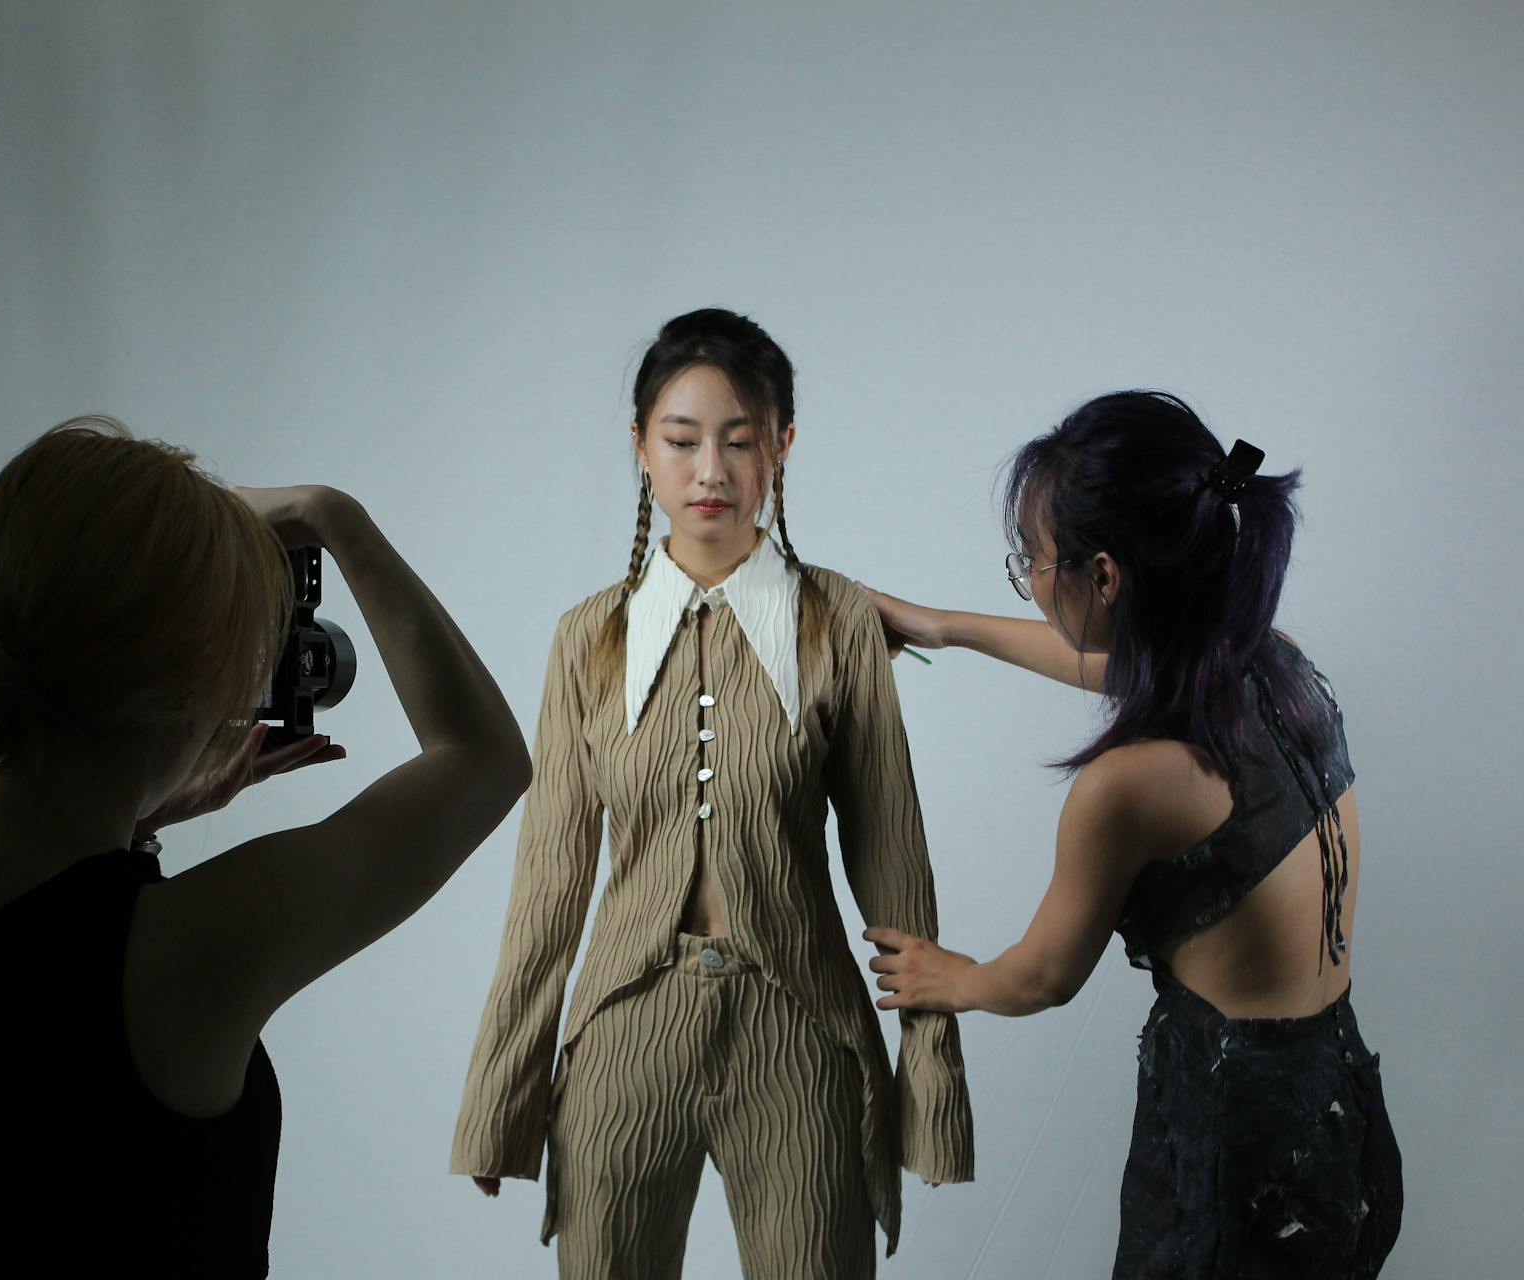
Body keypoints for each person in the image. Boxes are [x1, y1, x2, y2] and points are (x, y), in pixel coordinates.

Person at [0, 417, 530, 1278]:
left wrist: (138, 817)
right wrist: (332, 515)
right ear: (189, 691)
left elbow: (7, 1036)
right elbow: (483, 760)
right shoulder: (190, 947)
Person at [451, 309, 974, 1277]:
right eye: (682, 440)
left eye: (739, 440)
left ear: (781, 445)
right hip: (623, 1033)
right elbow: (548, 890)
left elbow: (899, 869)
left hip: (802, 1030)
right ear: (641, 447)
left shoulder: (840, 623)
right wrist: (501, 1103)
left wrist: (930, 1091)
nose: (711, 471)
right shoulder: (584, 640)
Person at [862, 391, 1401, 1278]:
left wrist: (950, 978)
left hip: (1239, 1174)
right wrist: (945, 628)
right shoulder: (1274, 665)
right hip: (1341, 1126)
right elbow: (1133, 663)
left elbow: (1042, 978)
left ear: (1104, 577)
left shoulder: (1127, 790)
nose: (1029, 581)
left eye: (1030, 562)